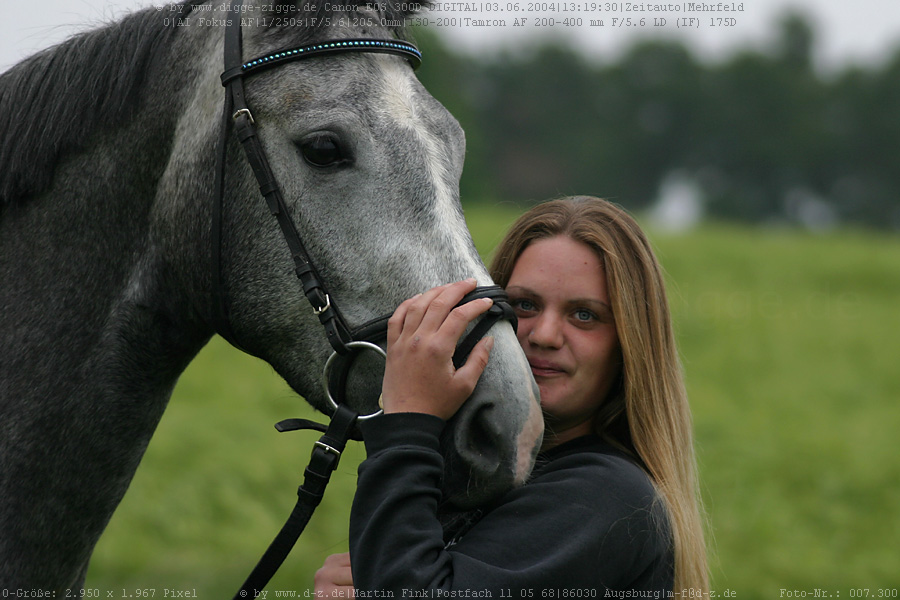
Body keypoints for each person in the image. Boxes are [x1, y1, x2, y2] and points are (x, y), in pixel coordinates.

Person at [314, 196, 709, 596]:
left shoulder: (607, 494)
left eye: (584, 315)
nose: (544, 335)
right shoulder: (487, 474)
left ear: (629, 345)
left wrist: (407, 419)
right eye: (524, 304)